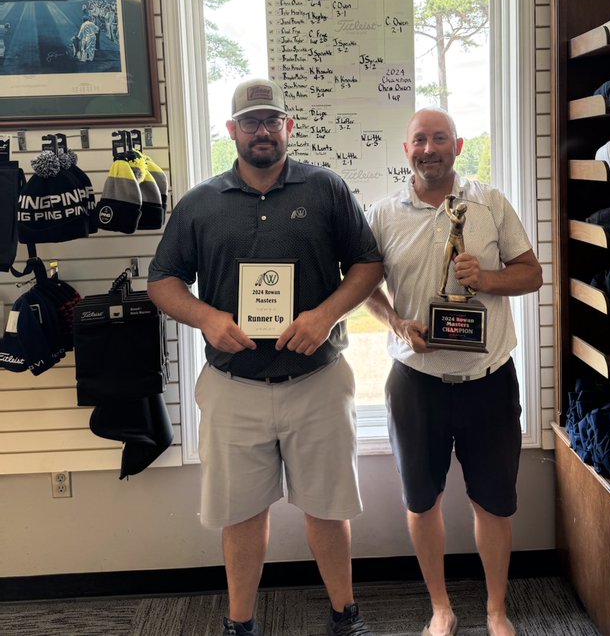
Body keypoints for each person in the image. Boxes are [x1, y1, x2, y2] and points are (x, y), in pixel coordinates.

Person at [147, 77, 383, 636]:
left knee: (328, 509)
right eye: (251, 122)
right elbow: (162, 281)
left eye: (272, 120)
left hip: (318, 382)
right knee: (241, 514)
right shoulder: (201, 203)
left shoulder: (326, 188)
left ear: (288, 127)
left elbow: (368, 265)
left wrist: (326, 316)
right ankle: (241, 623)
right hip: (235, 388)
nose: (262, 131)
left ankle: (344, 615)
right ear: (232, 130)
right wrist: (207, 318)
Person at [365, 107, 542, 636]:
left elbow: (531, 274)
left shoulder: (489, 203)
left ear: (457, 146)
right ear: (407, 150)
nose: (429, 149)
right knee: (423, 503)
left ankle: (496, 610)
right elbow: (364, 289)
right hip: (416, 385)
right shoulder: (383, 214)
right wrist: (398, 324)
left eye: (440, 138)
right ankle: (440, 607)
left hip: (488, 381)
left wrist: (486, 278)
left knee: (495, 505)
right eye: (419, 140)